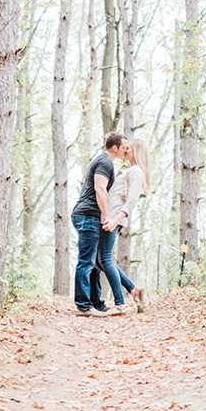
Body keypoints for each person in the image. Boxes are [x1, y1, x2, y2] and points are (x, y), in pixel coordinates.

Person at [71, 131, 127, 316]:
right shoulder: (104, 161)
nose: (125, 151)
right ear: (114, 147)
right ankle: (83, 305)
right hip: (87, 214)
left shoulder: (106, 162)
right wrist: (108, 216)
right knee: (86, 261)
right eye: (123, 147)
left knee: (95, 263)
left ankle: (96, 303)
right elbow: (99, 188)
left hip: (90, 216)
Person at [92, 139, 150, 314]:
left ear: (136, 151)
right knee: (98, 260)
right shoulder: (129, 170)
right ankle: (134, 290)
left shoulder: (137, 172)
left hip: (114, 219)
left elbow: (131, 200)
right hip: (108, 218)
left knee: (105, 259)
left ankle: (120, 302)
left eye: (128, 148)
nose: (124, 150)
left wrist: (116, 220)